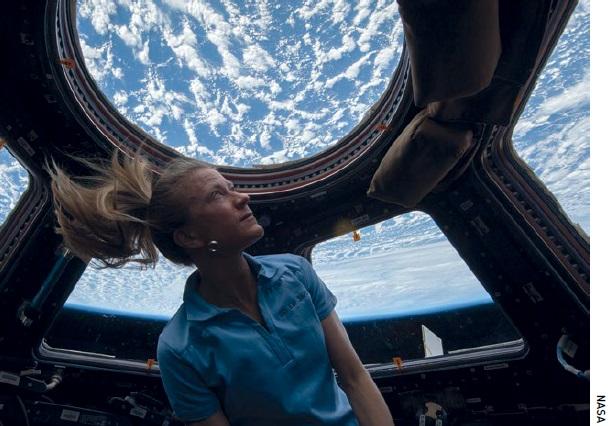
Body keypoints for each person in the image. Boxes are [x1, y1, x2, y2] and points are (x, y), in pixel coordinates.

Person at [48, 150, 394, 426]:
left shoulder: (297, 272)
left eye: (231, 187)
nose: (242, 197)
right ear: (189, 237)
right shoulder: (179, 347)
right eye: (218, 194)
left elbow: (353, 377)